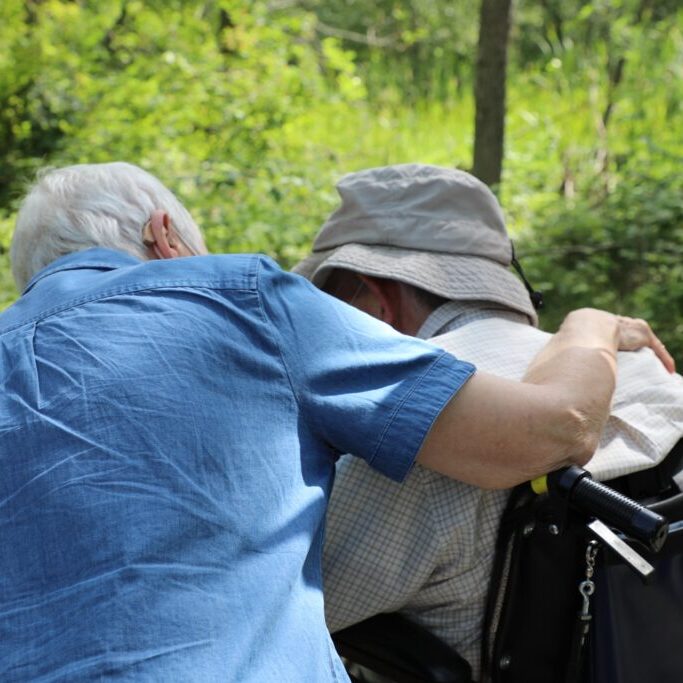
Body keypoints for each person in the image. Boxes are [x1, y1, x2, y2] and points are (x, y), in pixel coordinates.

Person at [294, 163, 683, 680]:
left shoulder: (416, 433)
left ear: (377, 303)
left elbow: (276, 610)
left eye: (333, 305)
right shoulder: (651, 377)